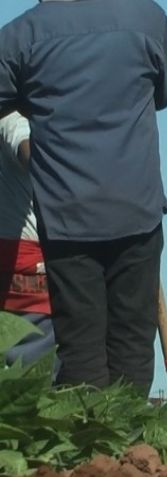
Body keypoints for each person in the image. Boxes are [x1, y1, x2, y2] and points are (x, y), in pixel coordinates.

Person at [0, 0, 167, 395]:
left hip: (66, 214)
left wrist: (39, 98)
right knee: (133, 343)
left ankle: (90, 430)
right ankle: (130, 430)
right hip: (136, 206)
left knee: (80, 349)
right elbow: (162, 94)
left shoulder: (20, 36)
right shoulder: (148, 18)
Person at [0, 111, 55, 370]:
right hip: (26, 269)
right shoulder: (13, 113)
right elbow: (27, 150)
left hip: (23, 261)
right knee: (34, 374)